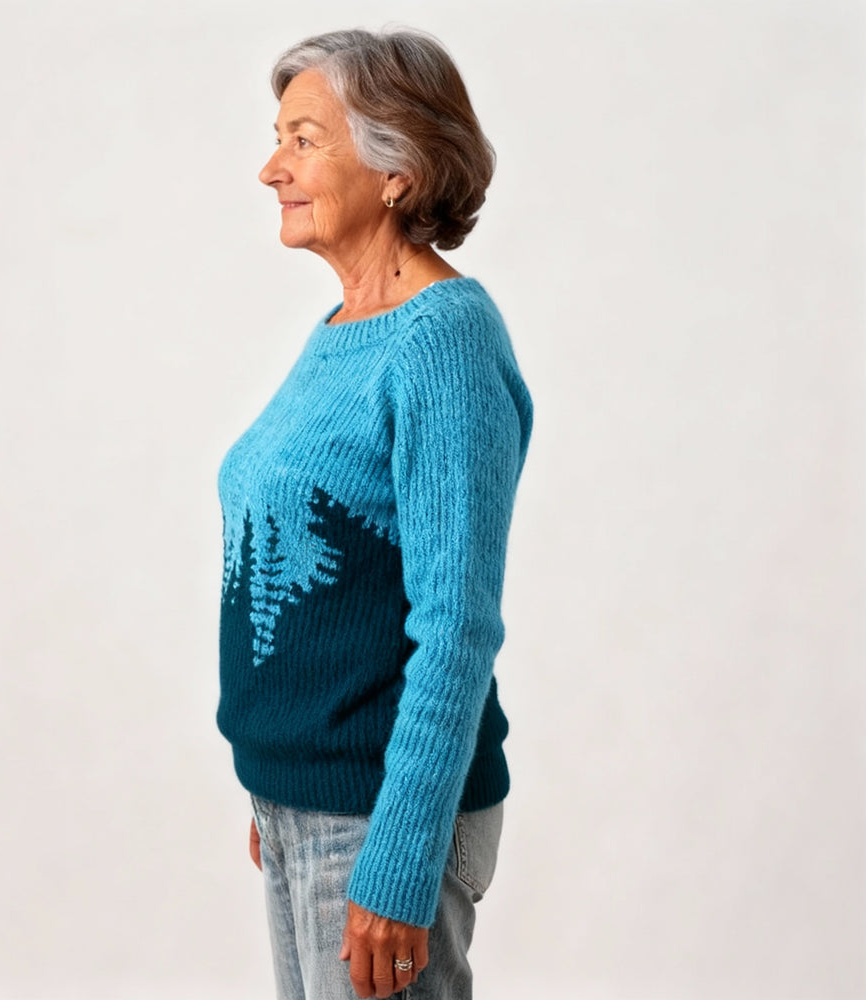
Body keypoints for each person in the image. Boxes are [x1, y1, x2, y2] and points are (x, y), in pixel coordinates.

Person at [216, 27, 533, 1000]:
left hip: (379, 820)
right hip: (311, 806)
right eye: (277, 138)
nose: (272, 168)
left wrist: (394, 860)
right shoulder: (345, 330)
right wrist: (283, 779)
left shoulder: (442, 342)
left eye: (304, 140)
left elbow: (456, 627)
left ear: (396, 169)